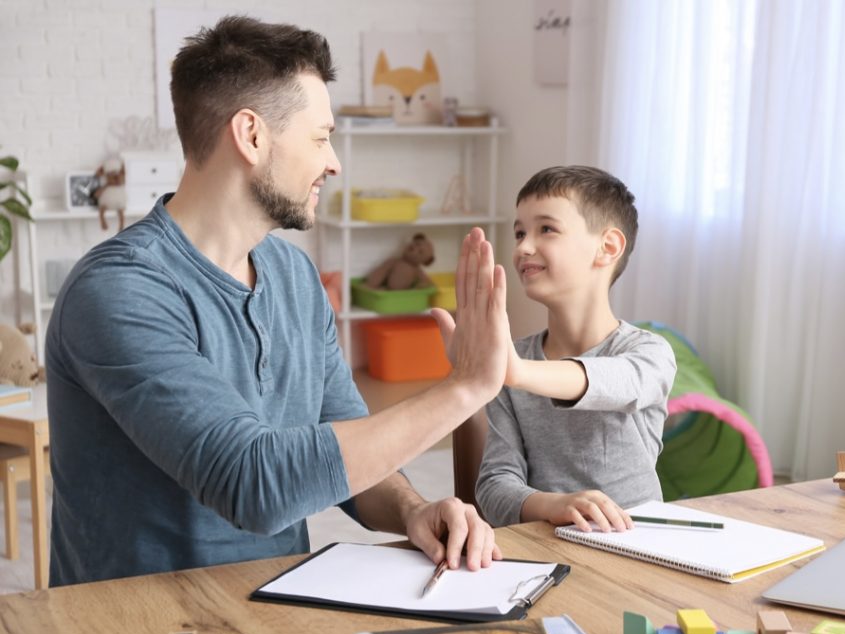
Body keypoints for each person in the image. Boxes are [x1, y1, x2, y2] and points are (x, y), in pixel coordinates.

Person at [45, 15, 509, 587]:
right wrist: (466, 386)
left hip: (271, 609)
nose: (334, 161)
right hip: (136, 630)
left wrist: (413, 510)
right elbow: (254, 483)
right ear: (252, 136)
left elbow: (348, 453)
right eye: (320, 137)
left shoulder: (293, 274)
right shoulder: (118, 290)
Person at [474, 166, 677, 531]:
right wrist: (555, 505)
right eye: (519, 232)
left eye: (546, 229)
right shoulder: (513, 366)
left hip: (639, 549)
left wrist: (518, 372)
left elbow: (619, 383)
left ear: (608, 247)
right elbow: (493, 490)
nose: (523, 246)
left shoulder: (650, 353)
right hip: (543, 545)